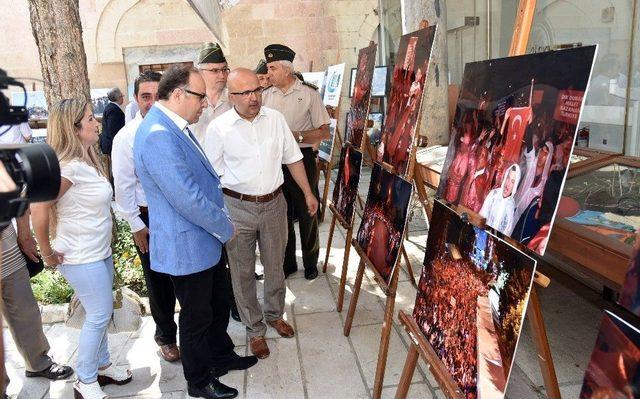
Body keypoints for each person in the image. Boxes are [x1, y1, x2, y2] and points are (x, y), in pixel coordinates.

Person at [134, 65, 257, 399]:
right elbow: (186, 196)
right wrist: (224, 226)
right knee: (196, 317)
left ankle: (220, 356)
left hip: (202, 240)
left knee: (216, 304)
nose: (205, 103)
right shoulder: (158, 134)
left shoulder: (174, 126)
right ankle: (200, 380)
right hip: (187, 245)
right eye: (200, 96)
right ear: (178, 95)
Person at [206, 68, 318, 360]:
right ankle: (254, 330)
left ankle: (273, 314)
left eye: (256, 90)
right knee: (242, 272)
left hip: (274, 203)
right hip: (237, 206)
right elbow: (211, 175)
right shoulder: (219, 128)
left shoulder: (276, 120)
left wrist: (308, 193)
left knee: (275, 265)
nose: (253, 97)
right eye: (245, 93)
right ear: (232, 97)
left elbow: (293, 159)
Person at [31, 99, 133, 399]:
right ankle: (85, 380)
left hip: (97, 251)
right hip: (78, 255)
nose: (97, 123)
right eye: (90, 119)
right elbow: (38, 208)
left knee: (96, 311)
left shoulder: (87, 161)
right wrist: (47, 252)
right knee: (100, 314)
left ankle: (101, 366)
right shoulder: (67, 168)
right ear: (73, 128)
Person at [111, 71, 181, 363]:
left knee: (186, 278)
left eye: (157, 95)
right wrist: (137, 226)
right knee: (158, 282)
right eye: (145, 97)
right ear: (136, 99)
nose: (151, 103)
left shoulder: (177, 128)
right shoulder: (127, 137)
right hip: (148, 219)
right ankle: (166, 337)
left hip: (178, 215)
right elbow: (124, 186)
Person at [262, 43, 330, 280]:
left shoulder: (309, 93)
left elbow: (324, 132)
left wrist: (298, 136)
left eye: (272, 68)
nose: (268, 72)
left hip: (303, 159)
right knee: (282, 215)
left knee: (307, 211)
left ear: (286, 69)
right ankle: (288, 263)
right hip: (274, 163)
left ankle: (311, 262)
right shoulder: (264, 96)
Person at [190, 42, 233, 145]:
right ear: (200, 72)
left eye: (224, 70)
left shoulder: (234, 99)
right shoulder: (190, 101)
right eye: (215, 70)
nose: (222, 75)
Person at [479, 163, 521, 236]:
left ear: (515, 185)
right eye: (508, 177)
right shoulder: (493, 195)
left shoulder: (511, 205)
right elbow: (481, 217)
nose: (508, 183)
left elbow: (506, 232)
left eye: (512, 181)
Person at [99, 87, 125, 156]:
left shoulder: (111, 107)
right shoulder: (113, 110)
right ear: (118, 97)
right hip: (113, 145)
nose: (123, 98)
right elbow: (113, 130)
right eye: (122, 96)